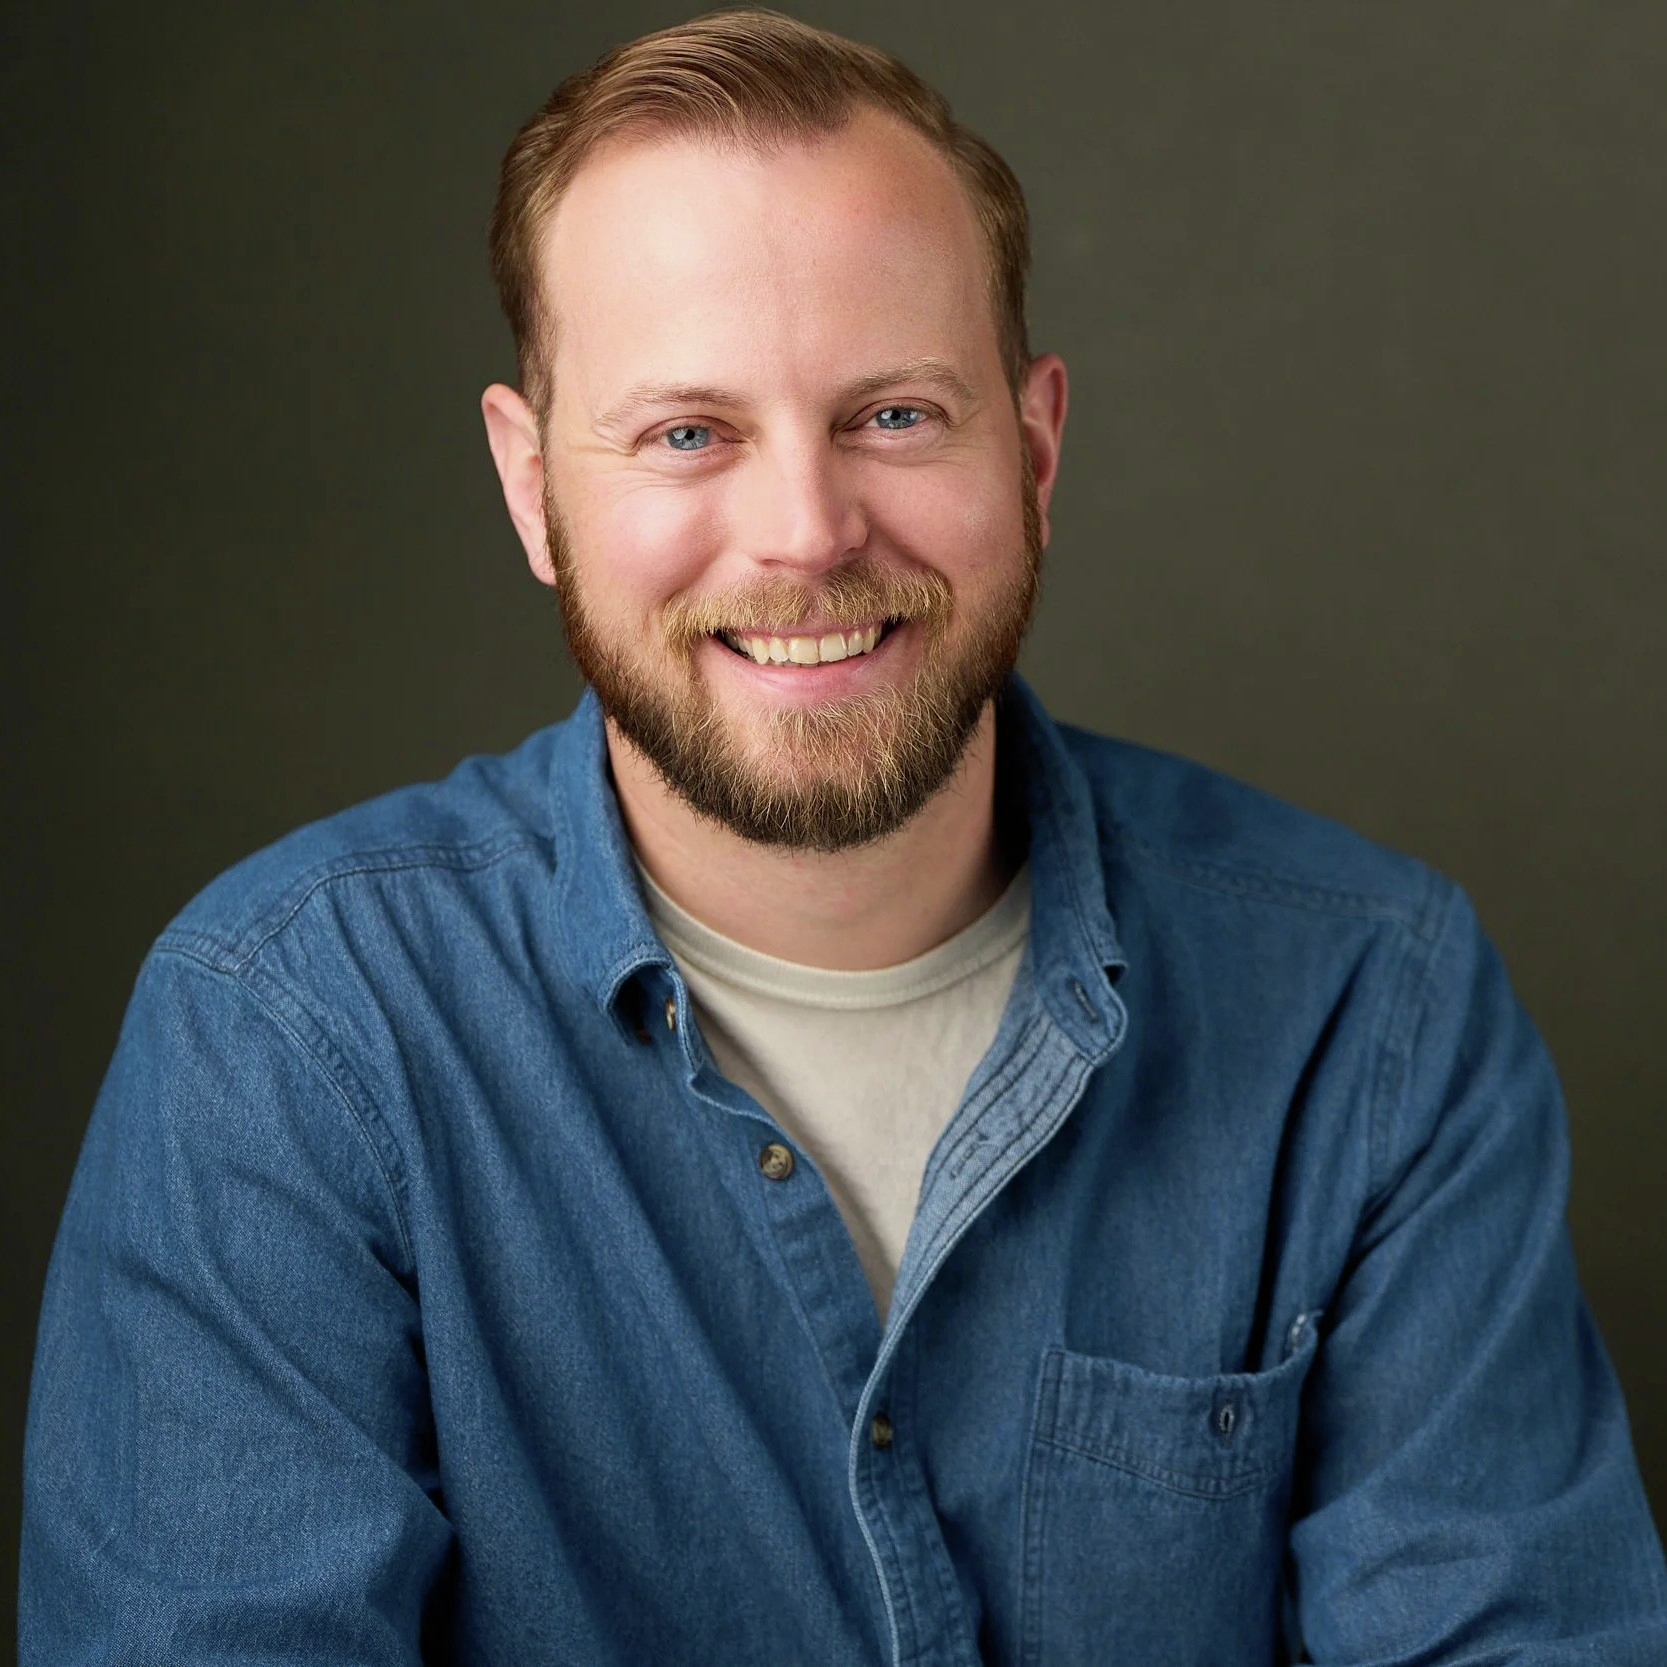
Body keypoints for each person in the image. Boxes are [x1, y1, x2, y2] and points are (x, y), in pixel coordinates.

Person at [20, 9, 1667, 1663]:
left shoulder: (1370, 1011)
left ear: (1033, 448)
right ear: (531, 489)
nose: (805, 534)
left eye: (892, 415)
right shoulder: (295, 1033)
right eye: (687, 432)